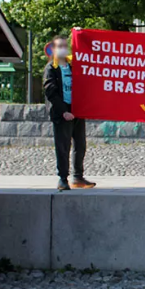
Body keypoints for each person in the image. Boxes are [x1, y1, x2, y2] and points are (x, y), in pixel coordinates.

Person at [43, 35, 96, 191]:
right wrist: (64, 111)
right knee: (63, 146)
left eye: (65, 45)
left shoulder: (73, 66)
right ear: (53, 49)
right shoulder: (51, 69)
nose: (63, 48)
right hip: (62, 113)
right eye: (59, 46)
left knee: (80, 145)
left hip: (77, 110)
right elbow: (50, 92)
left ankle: (78, 177)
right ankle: (62, 179)